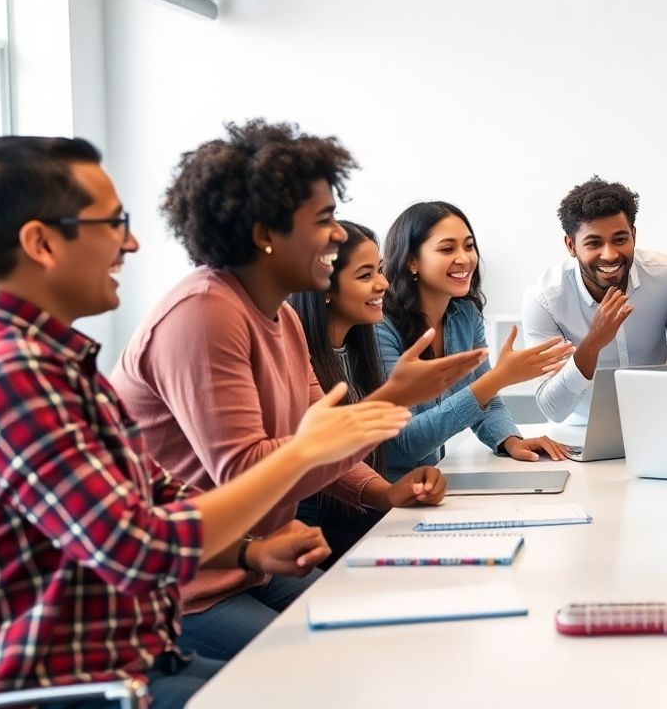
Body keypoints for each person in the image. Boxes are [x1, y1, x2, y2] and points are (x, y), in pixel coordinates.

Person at [0, 136, 408, 707]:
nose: (130, 242)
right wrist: (302, 453)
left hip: (143, 657)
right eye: (113, 223)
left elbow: (155, 501)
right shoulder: (13, 373)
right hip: (79, 686)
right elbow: (132, 543)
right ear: (40, 243)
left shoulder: (58, 361)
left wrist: (249, 550)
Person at [110, 120, 484, 661]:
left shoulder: (282, 317)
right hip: (188, 588)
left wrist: (383, 492)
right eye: (325, 220)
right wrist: (391, 399)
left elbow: (316, 433)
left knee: (380, 643)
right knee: (335, 664)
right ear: (266, 233)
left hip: (257, 565)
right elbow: (250, 471)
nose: (338, 235)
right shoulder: (204, 314)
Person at [379, 202, 574, 469]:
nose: (465, 258)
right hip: (381, 497)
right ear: (412, 261)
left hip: (429, 483)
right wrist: (499, 377)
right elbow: (408, 443)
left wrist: (510, 440)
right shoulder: (380, 327)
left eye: (469, 246)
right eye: (447, 249)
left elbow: (486, 398)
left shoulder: (465, 314)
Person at [521, 176, 667, 425]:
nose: (609, 255)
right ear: (571, 245)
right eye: (594, 243)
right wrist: (593, 343)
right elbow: (552, 408)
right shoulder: (545, 300)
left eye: (620, 239)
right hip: (580, 429)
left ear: (633, 235)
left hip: (659, 422)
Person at [289, 220, 395, 561]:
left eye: (379, 270)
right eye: (366, 275)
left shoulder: (359, 349)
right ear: (325, 286)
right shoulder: (297, 354)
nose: (383, 284)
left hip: (357, 511)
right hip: (316, 527)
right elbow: (328, 453)